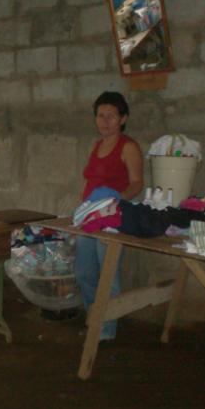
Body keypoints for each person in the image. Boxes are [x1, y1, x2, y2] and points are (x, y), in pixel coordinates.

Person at [74, 91, 144, 340]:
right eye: (100, 116)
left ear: (123, 119)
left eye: (111, 116)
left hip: (112, 218)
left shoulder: (128, 146)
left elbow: (137, 183)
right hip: (90, 218)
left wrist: (115, 201)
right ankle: (94, 318)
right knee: (84, 273)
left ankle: (105, 331)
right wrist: (84, 208)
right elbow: (91, 181)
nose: (104, 121)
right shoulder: (97, 146)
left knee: (107, 275)